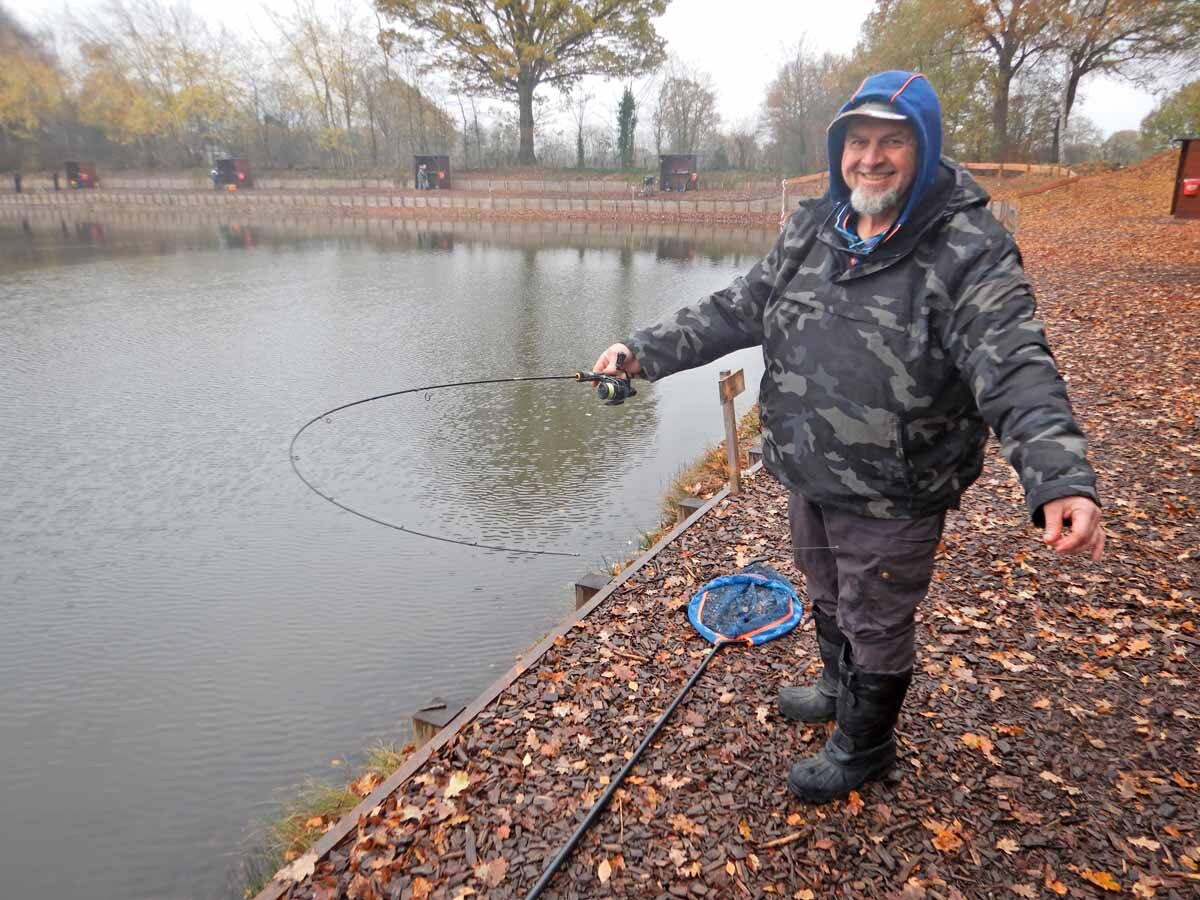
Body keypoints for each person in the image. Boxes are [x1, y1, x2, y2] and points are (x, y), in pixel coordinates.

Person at [591, 70, 1104, 805]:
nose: (871, 157)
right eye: (856, 141)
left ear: (922, 150)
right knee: (826, 586)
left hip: (897, 488)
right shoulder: (811, 229)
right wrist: (642, 351)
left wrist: (1059, 475)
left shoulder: (968, 248)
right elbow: (737, 309)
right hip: (808, 467)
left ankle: (866, 746)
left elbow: (1016, 363)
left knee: (878, 611)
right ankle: (837, 684)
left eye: (892, 142)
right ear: (838, 151)